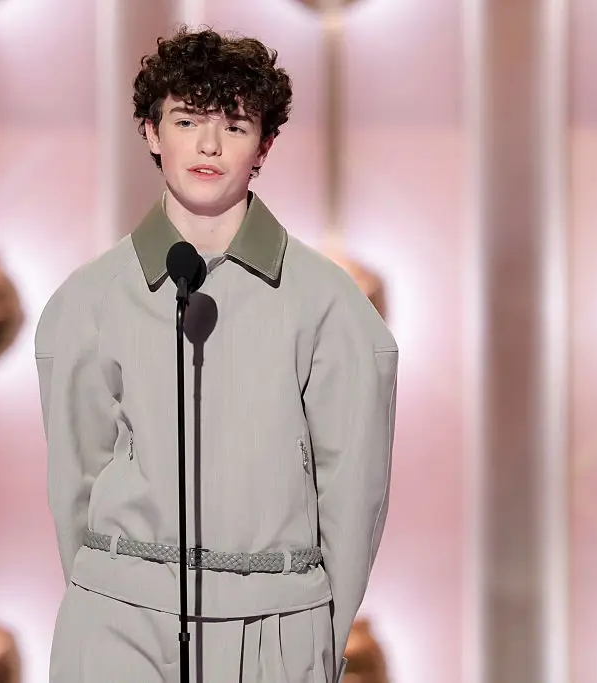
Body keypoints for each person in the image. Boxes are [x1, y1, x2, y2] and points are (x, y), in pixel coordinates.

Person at [35, 26, 398, 683]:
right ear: (151, 131)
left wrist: (314, 632)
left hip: (275, 629)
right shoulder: (86, 301)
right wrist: (110, 594)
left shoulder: (329, 305)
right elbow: (75, 488)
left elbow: (354, 495)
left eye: (233, 123)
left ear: (265, 145)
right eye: (186, 119)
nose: (207, 145)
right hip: (120, 621)